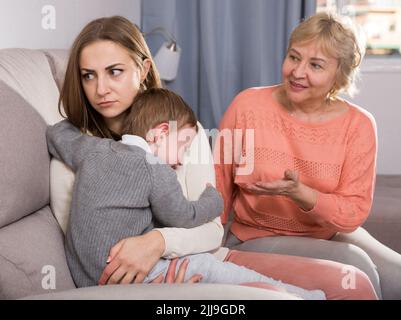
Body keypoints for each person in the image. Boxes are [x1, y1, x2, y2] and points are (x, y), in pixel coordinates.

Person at [54, 15, 378, 300]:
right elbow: (89, 245)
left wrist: (158, 241)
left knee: (354, 284)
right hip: (161, 274)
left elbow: (212, 226)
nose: (101, 89)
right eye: (88, 75)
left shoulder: (186, 129)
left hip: (200, 255)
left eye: (114, 71)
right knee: (278, 295)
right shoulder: (80, 148)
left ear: (143, 70)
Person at [47, 88, 327, 299]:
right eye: (183, 144)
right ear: (160, 133)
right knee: (212, 268)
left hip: (86, 280)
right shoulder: (155, 168)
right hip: (131, 278)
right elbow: (183, 215)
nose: (181, 158)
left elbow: (56, 134)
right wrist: (213, 200)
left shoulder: (93, 150)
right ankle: (300, 295)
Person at [215, 11, 401, 300]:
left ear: (339, 76)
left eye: (315, 65)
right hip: (256, 235)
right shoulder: (248, 106)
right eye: (293, 57)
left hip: (327, 232)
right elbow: (218, 187)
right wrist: (207, 247)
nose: (297, 72)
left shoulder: (358, 125)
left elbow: (352, 212)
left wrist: (301, 193)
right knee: (355, 266)